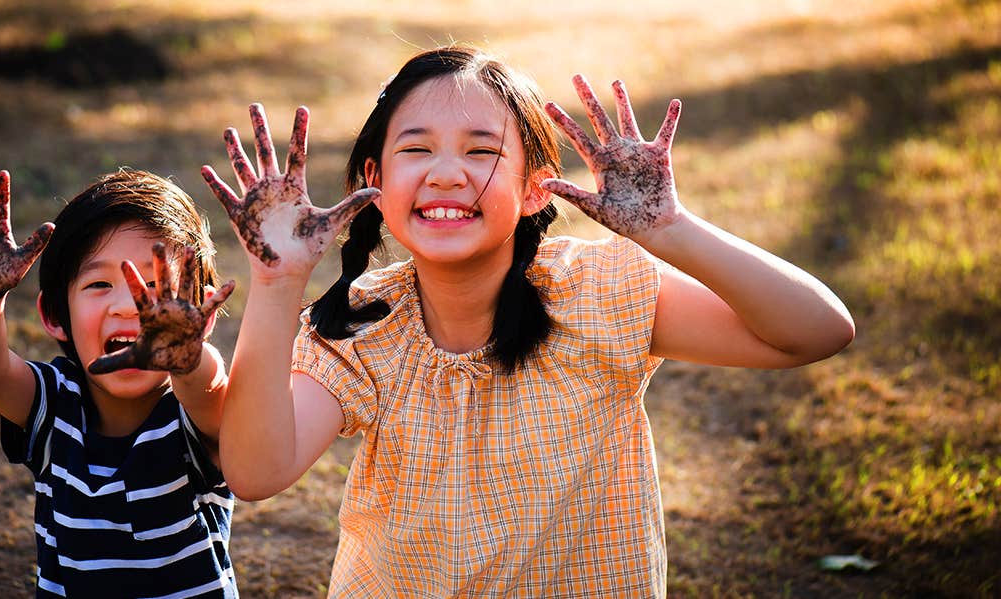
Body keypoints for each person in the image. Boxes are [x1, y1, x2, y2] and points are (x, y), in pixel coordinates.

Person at [203, 45, 855, 597]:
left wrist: (672, 231)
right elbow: (258, 472)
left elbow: (818, 330)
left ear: (536, 188)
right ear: (375, 178)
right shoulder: (363, 324)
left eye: (481, 150)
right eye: (416, 149)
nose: (447, 173)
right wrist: (276, 281)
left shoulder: (597, 293)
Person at [0, 165, 239, 598]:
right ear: (55, 317)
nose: (129, 305)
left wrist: (191, 359)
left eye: (156, 285)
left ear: (203, 317)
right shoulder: (54, 403)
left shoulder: (193, 414)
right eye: (100, 283)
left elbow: (213, 394)